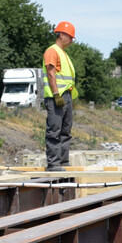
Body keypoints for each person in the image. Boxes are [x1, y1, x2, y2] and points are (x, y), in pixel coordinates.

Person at [43, 21, 79, 171]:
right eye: (70, 37)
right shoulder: (52, 51)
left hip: (66, 96)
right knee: (54, 130)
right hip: (56, 97)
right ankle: (54, 164)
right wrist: (56, 94)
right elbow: (51, 73)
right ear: (62, 35)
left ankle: (63, 161)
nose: (71, 41)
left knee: (65, 130)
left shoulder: (64, 54)